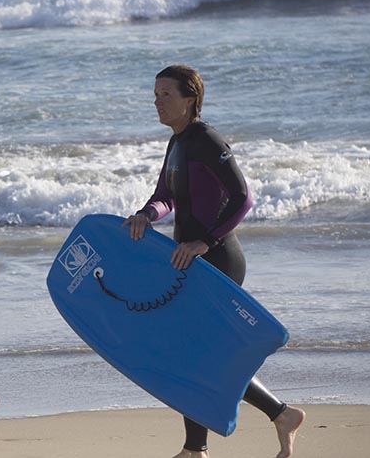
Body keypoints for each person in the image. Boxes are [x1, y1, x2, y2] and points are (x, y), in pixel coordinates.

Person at [123, 66, 306, 458]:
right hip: (189, 260)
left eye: (165, 94)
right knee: (200, 356)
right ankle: (279, 416)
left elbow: (243, 198)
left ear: (190, 99)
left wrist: (205, 241)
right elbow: (164, 196)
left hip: (218, 259)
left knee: (192, 355)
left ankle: (197, 449)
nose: (156, 101)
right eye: (155, 94)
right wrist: (145, 215)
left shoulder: (206, 139)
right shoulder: (176, 142)